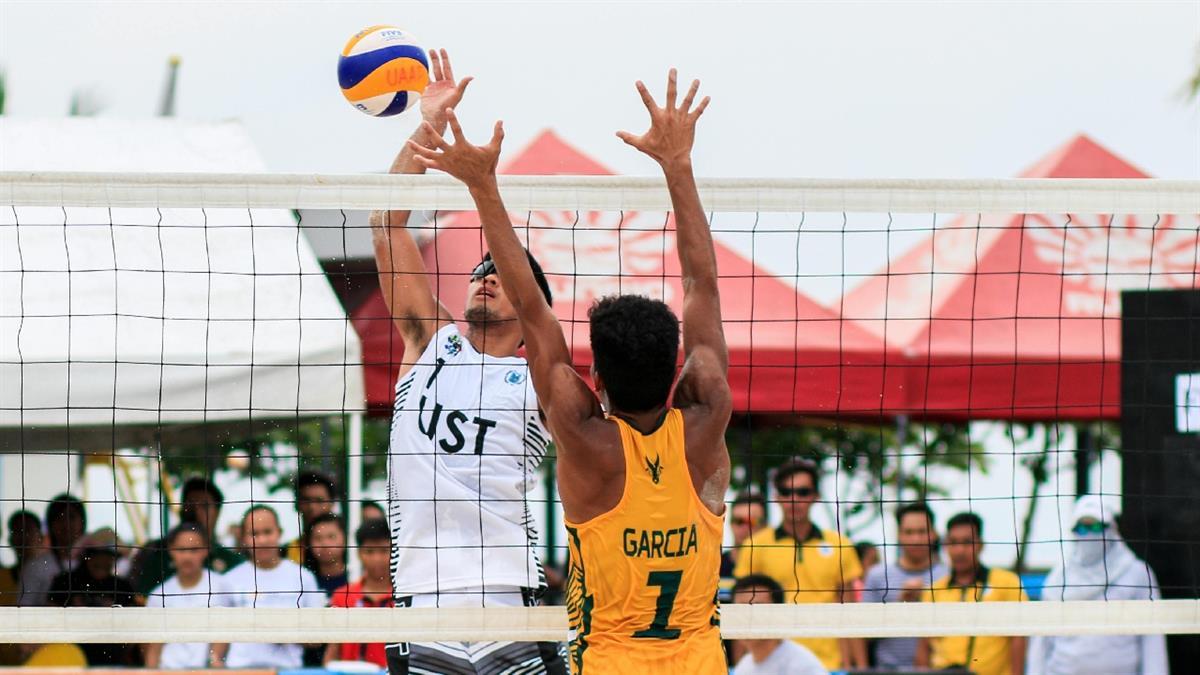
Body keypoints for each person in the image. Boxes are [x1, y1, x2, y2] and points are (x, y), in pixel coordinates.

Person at [409, 68, 730, 672]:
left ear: (597, 381)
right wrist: (678, 165)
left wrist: (483, 186)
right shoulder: (707, 422)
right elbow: (703, 286)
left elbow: (531, 307)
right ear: (677, 373)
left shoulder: (587, 441)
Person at [372, 48, 564, 674]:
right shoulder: (431, 342)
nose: (484, 276)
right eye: (478, 269)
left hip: (511, 607)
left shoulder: (542, 380)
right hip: (421, 609)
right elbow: (385, 221)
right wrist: (427, 123)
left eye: (500, 275)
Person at [733, 458, 866, 671]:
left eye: (803, 492)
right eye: (786, 492)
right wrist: (737, 665)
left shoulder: (840, 545)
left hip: (829, 663)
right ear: (776, 497)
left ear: (816, 496)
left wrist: (860, 667)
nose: (794, 499)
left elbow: (849, 614)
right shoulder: (755, 545)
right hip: (773, 662)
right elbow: (742, 611)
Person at [1027, 495, 1168, 675]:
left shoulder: (1137, 573)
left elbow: (1153, 639)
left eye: (1095, 526)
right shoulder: (1058, 578)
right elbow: (1040, 644)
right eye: (1082, 528)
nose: (1089, 534)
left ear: (1111, 530)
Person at [212, 505, 325, 670]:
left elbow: (316, 639)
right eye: (254, 534)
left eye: (267, 532)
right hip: (241, 670)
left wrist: (285, 631)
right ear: (243, 538)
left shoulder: (303, 577)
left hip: (288, 670)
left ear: (279, 532)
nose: (262, 540)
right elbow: (220, 634)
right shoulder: (229, 580)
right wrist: (216, 664)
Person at [916, 512, 1027, 675]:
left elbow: (1019, 637)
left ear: (981, 545)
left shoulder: (1007, 583)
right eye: (953, 543)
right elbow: (924, 647)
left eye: (968, 542)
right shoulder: (934, 591)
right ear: (946, 545)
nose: (960, 550)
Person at [862, 501, 947, 670]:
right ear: (899, 535)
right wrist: (898, 605)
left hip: (938, 670)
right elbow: (864, 634)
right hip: (888, 670)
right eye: (909, 532)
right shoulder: (877, 576)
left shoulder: (948, 576)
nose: (915, 539)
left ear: (934, 534)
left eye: (922, 531)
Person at [131, 476, 243, 596]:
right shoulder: (155, 553)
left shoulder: (231, 561)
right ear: (181, 509)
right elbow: (140, 599)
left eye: (204, 506)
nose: (196, 511)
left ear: (217, 512)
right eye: (190, 504)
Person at [47, 528, 139, 666]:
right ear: (86, 556)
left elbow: (134, 628)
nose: (104, 561)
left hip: (112, 662)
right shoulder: (65, 582)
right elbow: (49, 621)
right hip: (69, 660)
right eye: (97, 555)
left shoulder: (122, 587)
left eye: (109, 556)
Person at [143, 522, 227, 669]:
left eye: (194, 550)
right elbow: (154, 648)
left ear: (205, 550)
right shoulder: (158, 595)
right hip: (168, 670)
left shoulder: (221, 587)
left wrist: (214, 663)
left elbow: (222, 637)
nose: (187, 556)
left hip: (205, 671)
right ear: (170, 550)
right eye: (181, 550)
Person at [325, 518, 396, 669]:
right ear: (359, 553)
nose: (377, 559)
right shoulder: (342, 595)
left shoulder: (404, 597)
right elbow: (333, 651)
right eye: (369, 551)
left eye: (384, 551)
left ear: (394, 551)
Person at [730, 575, 828, 675]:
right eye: (740, 609)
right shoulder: (743, 668)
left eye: (757, 608)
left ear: (777, 613)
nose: (747, 617)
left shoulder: (803, 667)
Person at [284, 469, 338, 565]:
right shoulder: (284, 554)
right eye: (306, 500)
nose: (312, 507)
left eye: (319, 500)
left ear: (332, 503)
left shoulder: (351, 551)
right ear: (296, 504)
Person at [6, 510, 57, 607]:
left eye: (28, 530)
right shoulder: (2, 577)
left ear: (41, 537)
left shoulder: (54, 571)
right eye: (18, 531)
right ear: (10, 540)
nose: (23, 536)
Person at [722, 490, 767, 578]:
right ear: (731, 524)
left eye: (752, 522)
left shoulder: (775, 566)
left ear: (764, 526)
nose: (745, 528)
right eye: (739, 521)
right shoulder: (716, 565)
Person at [305, 513, 349, 594]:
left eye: (331, 537)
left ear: (345, 540)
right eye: (318, 538)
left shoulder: (357, 576)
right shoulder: (304, 580)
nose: (325, 544)